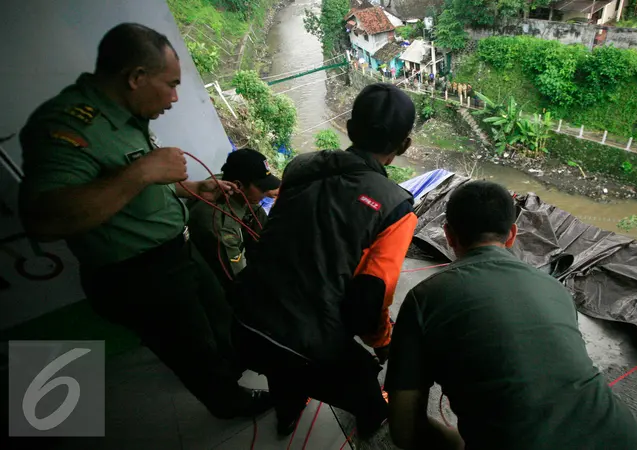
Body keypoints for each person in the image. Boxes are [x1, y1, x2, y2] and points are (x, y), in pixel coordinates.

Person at [17, 23, 272, 420]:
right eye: (170, 85)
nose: (174, 98)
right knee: (192, 347)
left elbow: (143, 188)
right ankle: (228, 402)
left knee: (219, 315)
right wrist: (142, 172)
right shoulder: (65, 127)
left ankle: (234, 367)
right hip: (139, 274)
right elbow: (44, 220)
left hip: (179, 251)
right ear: (136, 78)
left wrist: (193, 188)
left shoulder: (125, 114)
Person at [385, 181, 637, 450]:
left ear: (447, 234)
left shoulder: (424, 298)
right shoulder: (556, 289)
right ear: (512, 234)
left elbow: (404, 431)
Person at [230, 83, 418, 437]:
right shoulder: (395, 206)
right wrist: (383, 343)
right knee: (362, 380)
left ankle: (288, 413)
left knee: (281, 368)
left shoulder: (299, 167)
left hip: (245, 317)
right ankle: (370, 422)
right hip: (303, 344)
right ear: (404, 146)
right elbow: (369, 301)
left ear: (348, 129)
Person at [187, 148, 278, 290]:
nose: (266, 192)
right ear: (238, 186)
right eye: (262, 187)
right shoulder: (223, 228)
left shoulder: (225, 184)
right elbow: (238, 281)